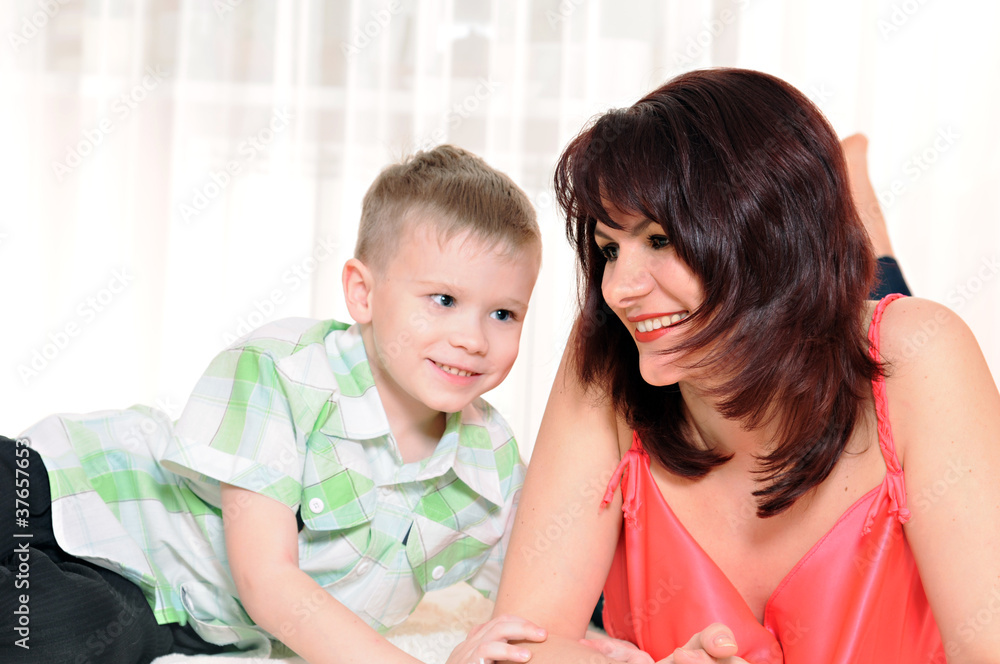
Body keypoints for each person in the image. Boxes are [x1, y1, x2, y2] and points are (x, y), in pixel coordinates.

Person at [477, 69, 1000, 663]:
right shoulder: (607, 348)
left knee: (869, 308)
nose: (619, 288)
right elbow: (514, 648)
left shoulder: (925, 354)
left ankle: (858, 206)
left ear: (765, 233)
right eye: (608, 249)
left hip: (836, 340)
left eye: (660, 239)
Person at [1, 145, 549, 664]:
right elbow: (267, 580)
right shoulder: (286, 371)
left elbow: (543, 586)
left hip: (163, 604)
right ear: (363, 293)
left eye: (504, 313)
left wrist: (592, 642)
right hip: (75, 487)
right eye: (444, 300)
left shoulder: (491, 465)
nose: (474, 339)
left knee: (46, 637)